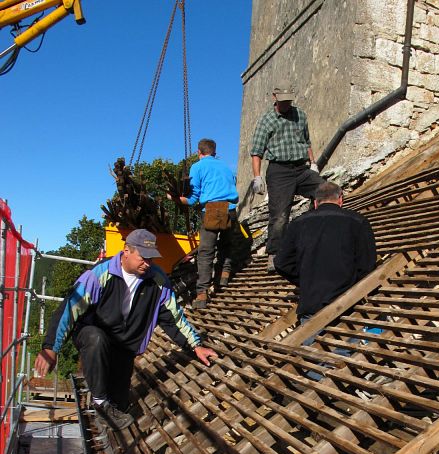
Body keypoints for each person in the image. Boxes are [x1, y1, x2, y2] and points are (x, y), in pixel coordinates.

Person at [34, 229, 217, 431]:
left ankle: (108, 406)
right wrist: (51, 347)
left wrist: (195, 346)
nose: (147, 263)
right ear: (126, 251)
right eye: (143, 257)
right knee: (96, 338)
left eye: (151, 258)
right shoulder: (99, 275)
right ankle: (100, 403)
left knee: (120, 404)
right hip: (94, 336)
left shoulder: (158, 281)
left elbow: (174, 318)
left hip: (124, 347)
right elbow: (70, 309)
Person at [275, 181, 377, 320]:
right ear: (341, 199)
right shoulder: (357, 221)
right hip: (348, 306)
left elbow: (281, 262)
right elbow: (367, 265)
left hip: (311, 306)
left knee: (310, 341)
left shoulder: (297, 224)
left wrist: (305, 280)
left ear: (316, 203)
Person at [250, 87, 324, 271]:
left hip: (301, 168)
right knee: (280, 215)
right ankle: (274, 254)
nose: (286, 104)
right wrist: (257, 177)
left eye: (289, 100)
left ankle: (320, 233)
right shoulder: (267, 121)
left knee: (325, 191)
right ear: (274, 97)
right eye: (282, 100)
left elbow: (306, 142)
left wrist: (313, 163)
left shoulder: (300, 115)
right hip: (279, 171)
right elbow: (256, 152)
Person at [171, 138, 239, 309]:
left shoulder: (198, 167)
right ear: (214, 152)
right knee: (226, 244)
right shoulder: (225, 166)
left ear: (198, 152)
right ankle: (224, 274)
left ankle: (202, 293)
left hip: (211, 209)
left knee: (206, 252)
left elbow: (193, 198)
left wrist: (175, 199)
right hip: (230, 209)